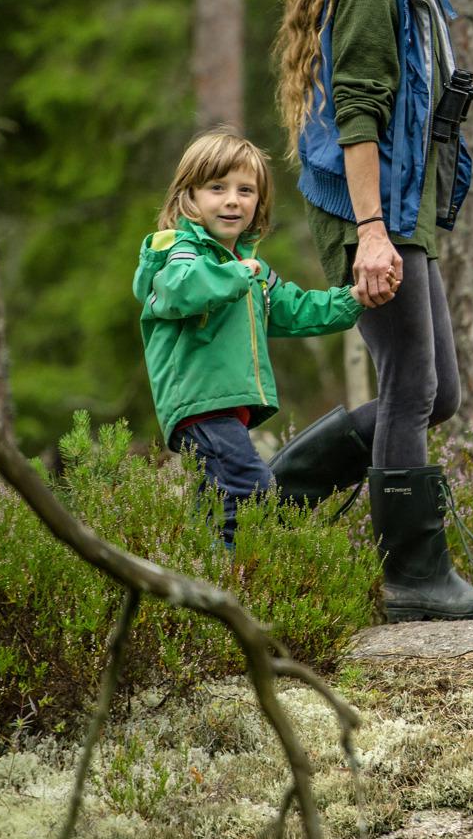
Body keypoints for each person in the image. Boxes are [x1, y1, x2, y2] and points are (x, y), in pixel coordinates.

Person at [268, 0, 473, 622]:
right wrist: (372, 232)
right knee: (411, 385)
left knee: (435, 394)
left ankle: (276, 494)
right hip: (375, 213)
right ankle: (415, 577)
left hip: (403, 210)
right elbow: (359, 117)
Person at [134, 127, 361, 545]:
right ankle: (244, 587)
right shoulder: (180, 251)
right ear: (190, 197)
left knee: (220, 505)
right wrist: (240, 274)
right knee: (252, 492)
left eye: (245, 190)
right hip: (201, 405)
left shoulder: (247, 264)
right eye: (217, 188)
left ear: (259, 204)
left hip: (222, 408)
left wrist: (355, 299)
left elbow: (294, 308)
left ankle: (207, 582)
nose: (232, 200)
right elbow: (183, 289)